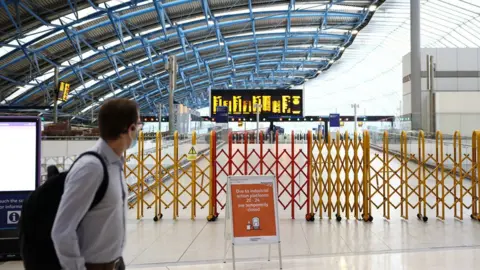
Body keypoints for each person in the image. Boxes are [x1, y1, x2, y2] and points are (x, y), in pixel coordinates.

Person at [51, 98, 142, 270]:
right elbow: (62, 230)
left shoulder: (115, 163)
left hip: (115, 263)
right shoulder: (91, 169)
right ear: (130, 130)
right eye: (138, 125)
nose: (139, 130)